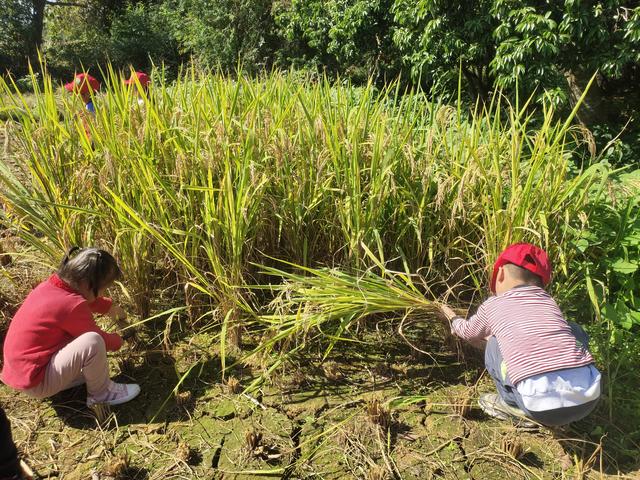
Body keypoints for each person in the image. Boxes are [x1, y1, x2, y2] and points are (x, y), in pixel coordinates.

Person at [440, 243, 601, 427]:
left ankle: (512, 406)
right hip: (589, 399)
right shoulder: (548, 301)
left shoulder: (494, 304)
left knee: (493, 343)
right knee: (571, 328)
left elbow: (468, 332)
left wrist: (452, 319)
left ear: (500, 274)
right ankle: (576, 378)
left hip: (539, 408)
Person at [1, 247, 140, 409]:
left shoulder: (52, 287)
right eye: (103, 289)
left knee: (85, 347)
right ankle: (101, 395)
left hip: (22, 373)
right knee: (92, 341)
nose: (103, 294)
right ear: (88, 284)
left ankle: (81, 382)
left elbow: (88, 299)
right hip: (37, 381)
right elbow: (102, 339)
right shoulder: (71, 306)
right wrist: (119, 339)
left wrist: (111, 308)